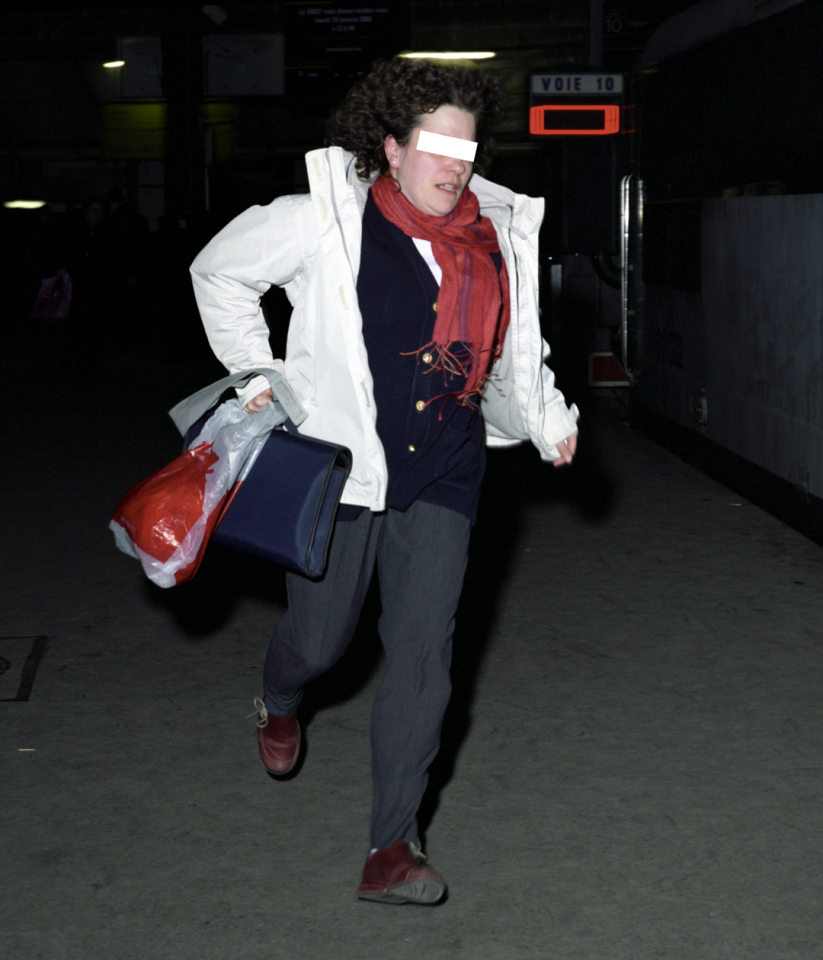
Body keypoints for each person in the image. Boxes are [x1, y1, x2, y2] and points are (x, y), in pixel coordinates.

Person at [189, 56, 579, 905]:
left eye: (467, 149)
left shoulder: (491, 233)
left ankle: (392, 846)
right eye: (437, 146)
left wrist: (549, 419)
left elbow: (515, 346)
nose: (456, 164)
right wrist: (261, 380)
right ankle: (279, 695)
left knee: (422, 654)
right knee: (322, 640)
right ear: (392, 147)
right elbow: (217, 273)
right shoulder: (323, 222)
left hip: (445, 466)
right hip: (344, 469)